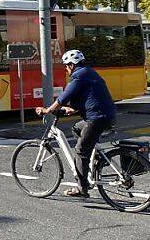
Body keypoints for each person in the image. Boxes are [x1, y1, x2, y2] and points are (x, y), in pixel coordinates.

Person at [35, 49, 117, 198]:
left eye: (66, 66)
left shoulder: (79, 75)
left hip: (97, 118)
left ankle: (82, 188)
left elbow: (64, 96)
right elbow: (89, 97)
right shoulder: (88, 72)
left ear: (72, 65)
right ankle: (95, 157)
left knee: (80, 151)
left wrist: (48, 110)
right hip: (105, 115)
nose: (66, 69)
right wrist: (71, 109)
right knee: (77, 128)